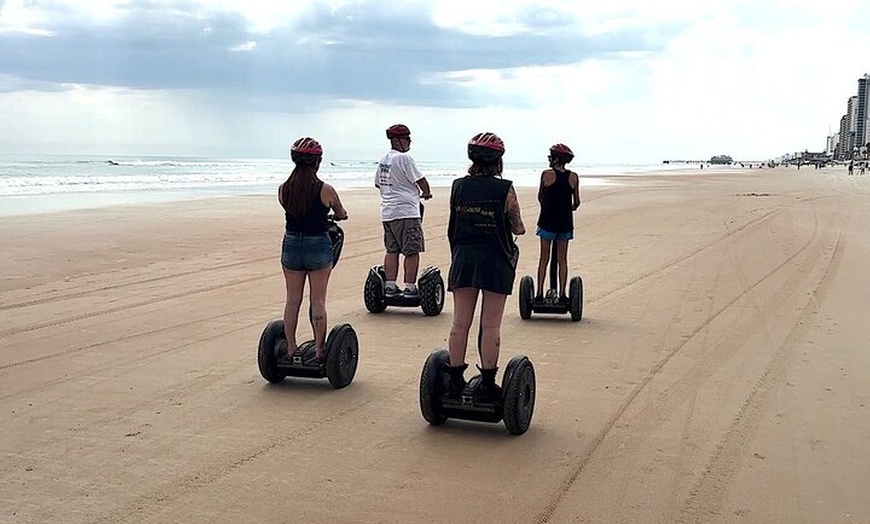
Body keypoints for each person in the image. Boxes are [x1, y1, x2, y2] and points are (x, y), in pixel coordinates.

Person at [443, 132, 525, 401]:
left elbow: (454, 223)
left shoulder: (458, 186)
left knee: (459, 324)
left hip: (464, 258)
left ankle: (454, 380)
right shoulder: (505, 189)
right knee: (490, 326)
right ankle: (488, 383)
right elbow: (518, 227)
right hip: (495, 261)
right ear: (498, 160)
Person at [278, 137, 348, 364]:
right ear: (317, 161)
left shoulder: (283, 189)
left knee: (292, 300)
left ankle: (290, 347)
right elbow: (340, 212)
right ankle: (319, 350)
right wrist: (337, 215)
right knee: (317, 300)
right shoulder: (325, 189)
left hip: (291, 245)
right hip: (317, 244)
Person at [375, 124, 432, 298]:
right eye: (407, 138)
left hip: (388, 213)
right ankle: (409, 287)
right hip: (406, 211)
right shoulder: (404, 158)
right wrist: (426, 193)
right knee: (411, 250)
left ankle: (390, 286)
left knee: (392, 250)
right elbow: (420, 179)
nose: (409, 141)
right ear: (397, 140)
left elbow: (378, 183)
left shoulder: (384, 159)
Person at [535, 143, 581, 302]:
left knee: (544, 259)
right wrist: (567, 208)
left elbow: (540, 197)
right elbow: (577, 202)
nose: (549, 159)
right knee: (563, 260)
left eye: (550, 157)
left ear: (556, 159)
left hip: (547, 221)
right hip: (565, 223)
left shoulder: (546, 175)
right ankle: (562, 294)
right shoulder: (573, 177)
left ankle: (539, 293)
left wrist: (549, 206)